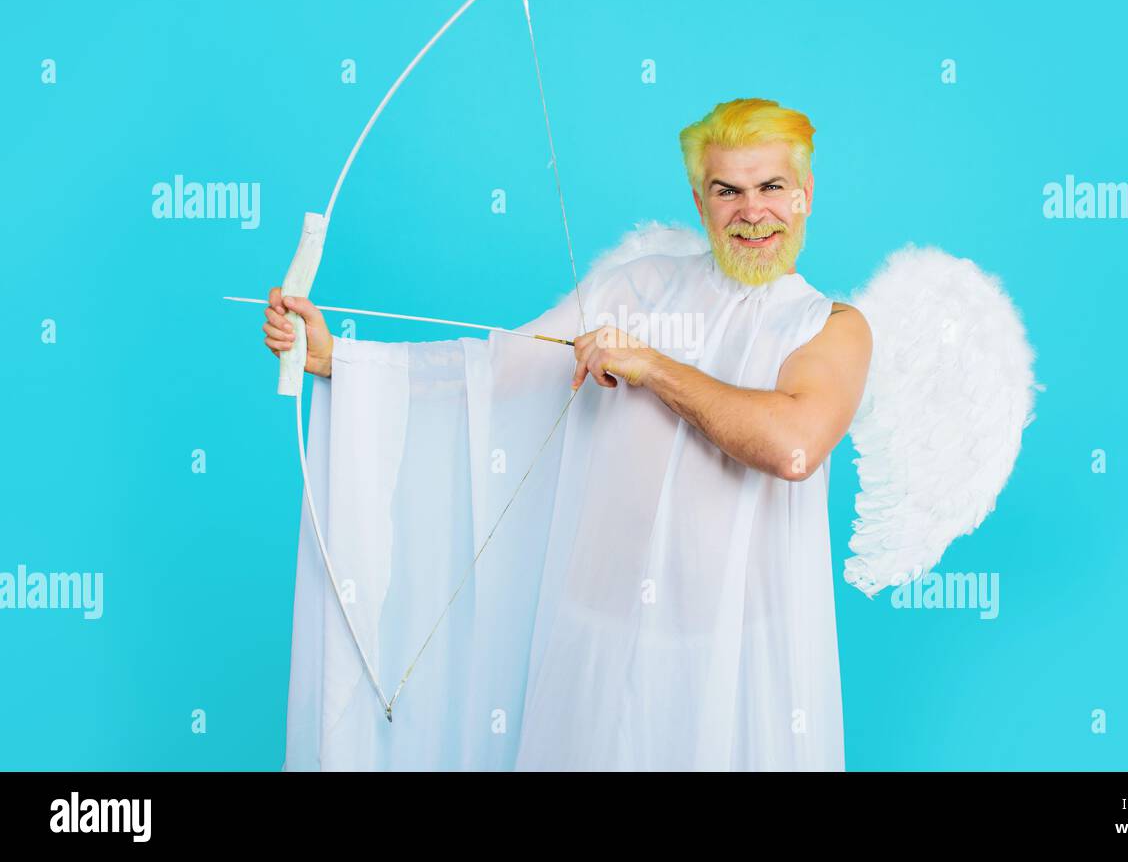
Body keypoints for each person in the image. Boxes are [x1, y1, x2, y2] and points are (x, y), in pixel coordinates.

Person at [269, 98, 871, 770]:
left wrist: (651, 365)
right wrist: (341, 360)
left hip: (739, 657)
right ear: (701, 202)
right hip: (601, 643)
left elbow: (792, 445)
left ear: (804, 197)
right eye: (727, 190)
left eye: (771, 187)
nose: (751, 211)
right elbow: (501, 371)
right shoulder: (639, 286)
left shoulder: (831, 327)